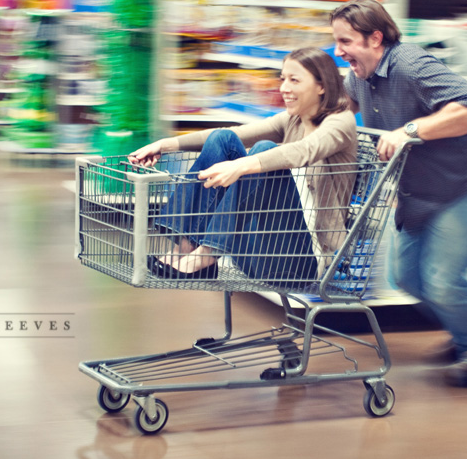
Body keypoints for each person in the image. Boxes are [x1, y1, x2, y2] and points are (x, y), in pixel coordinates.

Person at [330, 0, 467, 387]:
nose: (338, 50)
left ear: (375, 38)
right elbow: (336, 117)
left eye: (345, 41)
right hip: (420, 191)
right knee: (407, 278)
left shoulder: (411, 64)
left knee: (443, 280)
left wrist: (410, 131)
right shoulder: (357, 77)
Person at [129, 47, 357, 287]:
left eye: (294, 80)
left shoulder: (341, 122)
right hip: (258, 247)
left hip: (302, 260)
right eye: (282, 79)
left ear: (322, 86)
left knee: (264, 150)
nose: (284, 88)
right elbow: (235, 134)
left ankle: (205, 255)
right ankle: (186, 246)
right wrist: (165, 145)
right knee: (222, 139)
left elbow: (304, 151)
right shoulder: (292, 119)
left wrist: (242, 165)